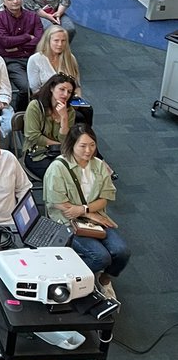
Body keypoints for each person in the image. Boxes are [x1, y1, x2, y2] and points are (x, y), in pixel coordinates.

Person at [44, 124, 129, 299]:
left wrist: (84, 210)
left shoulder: (99, 166)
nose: (88, 150)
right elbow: (57, 202)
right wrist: (86, 213)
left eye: (92, 145)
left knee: (122, 252)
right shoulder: (58, 168)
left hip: (95, 218)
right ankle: (69, 280)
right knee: (101, 257)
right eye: (82, 146)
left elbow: (105, 198)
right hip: (67, 221)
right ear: (72, 145)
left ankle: (104, 279)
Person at [0, 0, 44, 97]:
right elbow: (5, 42)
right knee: (27, 87)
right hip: (11, 60)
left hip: (33, 57)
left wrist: (18, 47)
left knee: (47, 84)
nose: (15, 1)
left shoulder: (33, 17)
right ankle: (21, 112)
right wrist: (27, 37)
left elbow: (40, 40)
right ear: (4, 2)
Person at [23, 73, 76, 180]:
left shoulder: (69, 112)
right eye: (62, 89)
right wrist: (58, 144)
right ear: (52, 88)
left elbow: (65, 140)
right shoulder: (35, 106)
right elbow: (33, 136)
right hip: (37, 154)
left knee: (76, 173)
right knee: (57, 176)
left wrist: (64, 119)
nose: (65, 94)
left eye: (69, 92)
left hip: (61, 153)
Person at [27, 25, 83, 96]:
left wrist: (78, 102)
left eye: (63, 41)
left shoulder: (71, 58)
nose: (60, 44)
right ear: (48, 41)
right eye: (56, 40)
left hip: (68, 100)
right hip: (45, 99)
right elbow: (35, 90)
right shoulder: (35, 59)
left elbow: (77, 86)